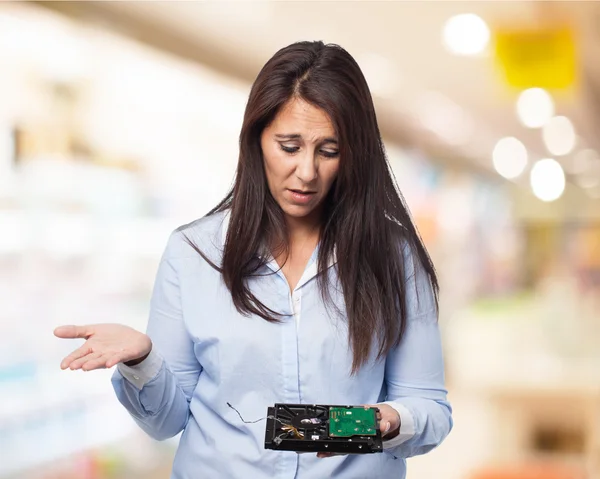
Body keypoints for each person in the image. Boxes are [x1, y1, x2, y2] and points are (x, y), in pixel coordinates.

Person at [54, 41, 452, 479]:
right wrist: (142, 359)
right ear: (257, 139)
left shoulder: (394, 257)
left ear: (354, 154)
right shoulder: (195, 253)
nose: (306, 171)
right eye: (289, 146)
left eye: (329, 150)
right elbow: (166, 422)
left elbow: (430, 409)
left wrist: (386, 422)